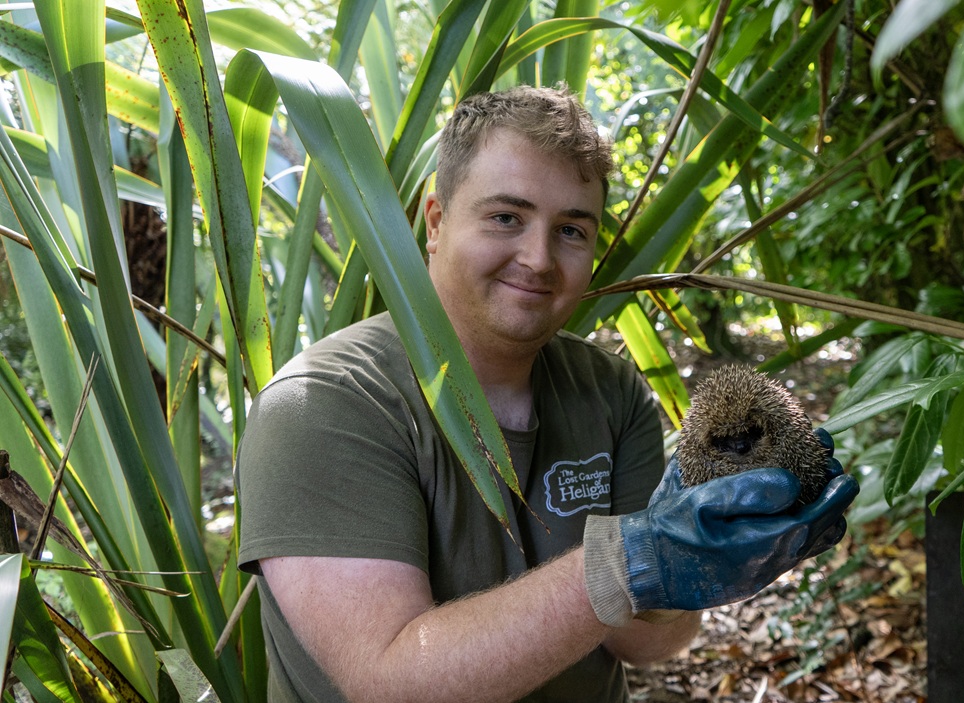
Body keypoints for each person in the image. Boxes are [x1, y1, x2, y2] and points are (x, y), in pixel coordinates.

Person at [236, 85, 859, 703]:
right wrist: (631, 562)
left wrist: (704, 563)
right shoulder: (324, 404)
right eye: (506, 217)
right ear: (435, 221)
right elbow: (393, 682)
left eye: (571, 230)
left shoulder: (610, 389)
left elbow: (645, 645)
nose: (538, 258)